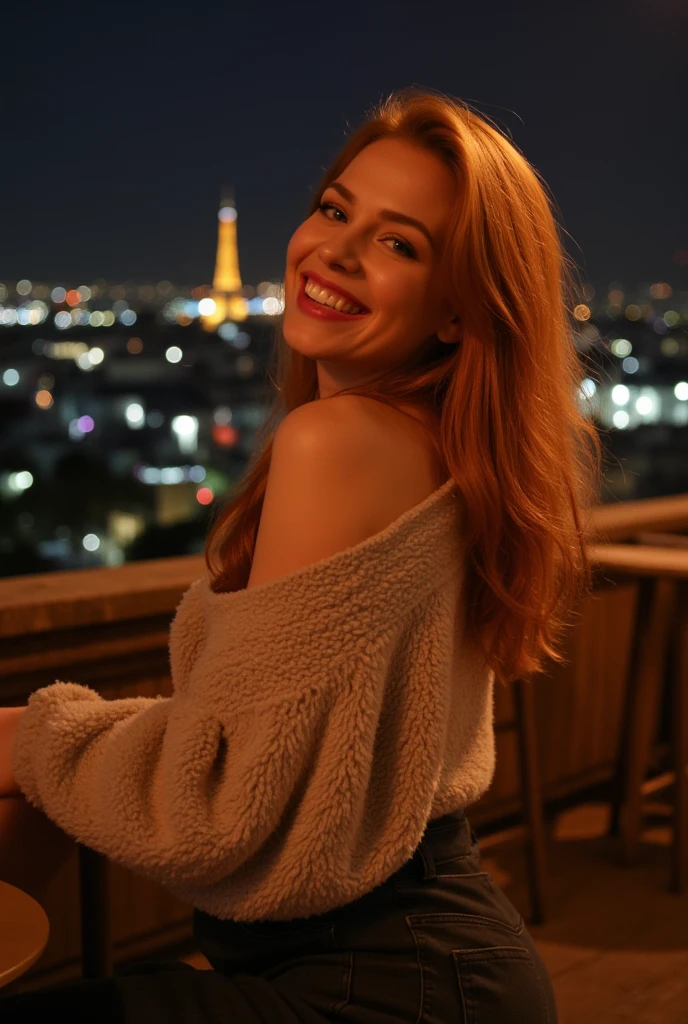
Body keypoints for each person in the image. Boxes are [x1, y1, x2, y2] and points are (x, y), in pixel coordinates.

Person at [1, 85, 602, 1021]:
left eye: (400, 243)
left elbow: (224, 807)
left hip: (381, 977)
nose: (337, 250)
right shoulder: (443, 448)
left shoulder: (340, 440)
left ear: (457, 310)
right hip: (443, 962)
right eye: (335, 209)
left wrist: (38, 737)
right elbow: (281, 735)